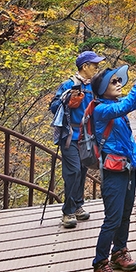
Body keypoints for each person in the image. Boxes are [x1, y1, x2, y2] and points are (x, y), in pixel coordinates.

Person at [89, 57, 136, 272]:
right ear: (101, 89)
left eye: (119, 80)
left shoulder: (114, 106)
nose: (118, 83)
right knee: (113, 218)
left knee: (125, 213)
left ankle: (119, 252)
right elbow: (125, 106)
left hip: (127, 168)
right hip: (113, 171)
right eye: (113, 81)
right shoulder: (101, 110)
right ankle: (100, 264)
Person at [49, 49, 103, 228]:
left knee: (82, 170)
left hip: (87, 137)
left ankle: (78, 205)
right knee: (73, 171)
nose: (97, 68)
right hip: (70, 136)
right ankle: (68, 211)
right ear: (85, 66)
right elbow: (53, 106)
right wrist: (68, 99)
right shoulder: (69, 84)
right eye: (94, 65)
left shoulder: (94, 86)